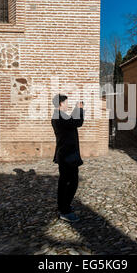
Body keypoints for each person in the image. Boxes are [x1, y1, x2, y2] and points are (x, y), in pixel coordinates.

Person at [51, 94, 84, 222]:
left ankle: (62, 206)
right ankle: (64, 211)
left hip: (66, 154)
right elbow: (77, 122)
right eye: (66, 103)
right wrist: (79, 109)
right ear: (60, 104)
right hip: (67, 155)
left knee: (64, 182)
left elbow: (72, 122)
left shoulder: (60, 116)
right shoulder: (59, 117)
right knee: (72, 182)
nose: (67, 105)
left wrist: (77, 109)